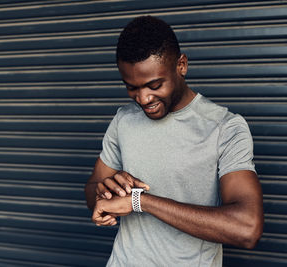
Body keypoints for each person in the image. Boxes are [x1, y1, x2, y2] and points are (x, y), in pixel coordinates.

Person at [84, 16, 263, 266]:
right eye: (131, 88)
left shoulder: (225, 128)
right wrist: (105, 193)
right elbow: (92, 190)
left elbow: (247, 228)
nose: (143, 98)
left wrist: (140, 201)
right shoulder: (124, 120)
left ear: (181, 65)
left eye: (154, 85)